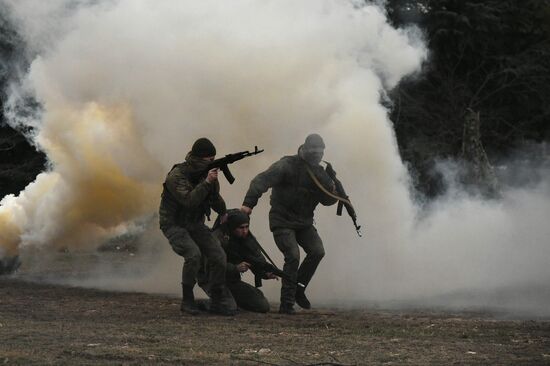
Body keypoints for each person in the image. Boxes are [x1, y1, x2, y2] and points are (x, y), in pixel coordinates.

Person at [241, 134, 338, 314]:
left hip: (304, 223)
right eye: (314, 151)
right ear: (305, 148)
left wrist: (333, 186)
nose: (318, 155)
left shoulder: (320, 172)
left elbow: (327, 200)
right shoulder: (287, 165)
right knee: (293, 255)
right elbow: (260, 181)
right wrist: (248, 204)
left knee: (317, 251)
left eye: (321, 152)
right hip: (282, 220)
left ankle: (298, 289)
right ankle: (287, 303)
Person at [159, 137, 237, 316]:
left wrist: (223, 212)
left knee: (218, 256)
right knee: (193, 255)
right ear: (198, 159)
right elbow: (189, 201)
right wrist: (207, 182)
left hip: (195, 223)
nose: (211, 163)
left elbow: (214, 198)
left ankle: (217, 300)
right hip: (174, 224)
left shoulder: (207, 175)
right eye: (209, 160)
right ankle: (187, 300)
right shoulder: (177, 176)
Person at [207, 209, 277, 313]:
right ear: (232, 226)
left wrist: (265, 273)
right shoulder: (217, 238)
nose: (245, 231)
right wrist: (235, 268)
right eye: (241, 228)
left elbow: (256, 259)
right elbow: (210, 265)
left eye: (246, 227)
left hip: (231, 280)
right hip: (211, 279)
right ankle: (207, 304)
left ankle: (226, 300)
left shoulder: (246, 239)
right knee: (229, 307)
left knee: (262, 305)